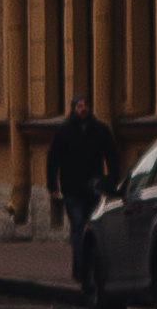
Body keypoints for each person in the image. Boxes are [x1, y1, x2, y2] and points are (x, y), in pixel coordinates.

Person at [45, 91, 119, 256]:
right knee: (78, 224)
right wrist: (52, 186)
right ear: (73, 109)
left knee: (92, 226)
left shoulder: (100, 130)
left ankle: (89, 265)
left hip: (94, 187)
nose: (83, 109)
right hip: (71, 189)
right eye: (79, 106)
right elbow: (53, 159)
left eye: (85, 105)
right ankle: (80, 267)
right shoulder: (63, 131)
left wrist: (112, 180)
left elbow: (112, 155)